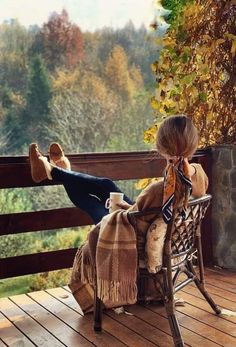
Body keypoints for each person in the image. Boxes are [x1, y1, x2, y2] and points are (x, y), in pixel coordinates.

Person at [29, 114, 208, 312]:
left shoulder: (161, 189)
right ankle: (60, 171)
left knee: (91, 202)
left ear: (161, 146)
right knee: (106, 185)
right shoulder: (196, 177)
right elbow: (145, 210)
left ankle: (53, 171)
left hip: (130, 233)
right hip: (147, 224)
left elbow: (137, 214)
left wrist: (120, 207)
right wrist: (126, 204)